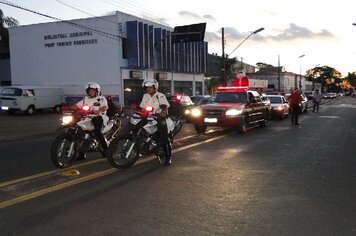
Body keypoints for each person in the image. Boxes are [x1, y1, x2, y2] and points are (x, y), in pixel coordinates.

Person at [70, 82, 109, 159]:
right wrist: (68, 107)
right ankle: (81, 154)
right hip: (87, 118)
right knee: (79, 133)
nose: (91, 92)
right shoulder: (85, 99)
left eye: (93, 91)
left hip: (98, 117)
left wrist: (99, 110)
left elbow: (105, 107)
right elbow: (77, 105)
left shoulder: (101, 98)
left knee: (98, 132)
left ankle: (106, 149)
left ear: (97, 91)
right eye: (89, 91)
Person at [139, 78, 172, 166]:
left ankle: (168, 157)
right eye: (147, 87)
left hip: (159, 118)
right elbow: (142, 107)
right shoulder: (145, 96)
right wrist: (141, 112)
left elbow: (165, 106)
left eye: (150, 87)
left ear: (155, 87)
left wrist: (163, 112)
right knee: (138, 127)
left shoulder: (160, 95)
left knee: (164, 137)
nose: (148, 89)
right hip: (148, 117)